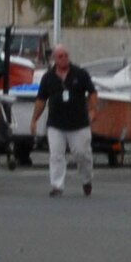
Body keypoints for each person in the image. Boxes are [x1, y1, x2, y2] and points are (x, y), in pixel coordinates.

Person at [29, 45, 98, 197]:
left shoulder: (80, 74)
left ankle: (87, 180)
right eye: (60, 56)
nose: (64, 58)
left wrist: (92, 110)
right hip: (56, 124)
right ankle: (57, 186)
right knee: (56, 155)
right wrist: (34, 119)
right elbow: (41, 100)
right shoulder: (48, 77)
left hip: (79, 123)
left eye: (66, 55)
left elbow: (92, 93)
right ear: (54, 59)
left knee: (82, 153)